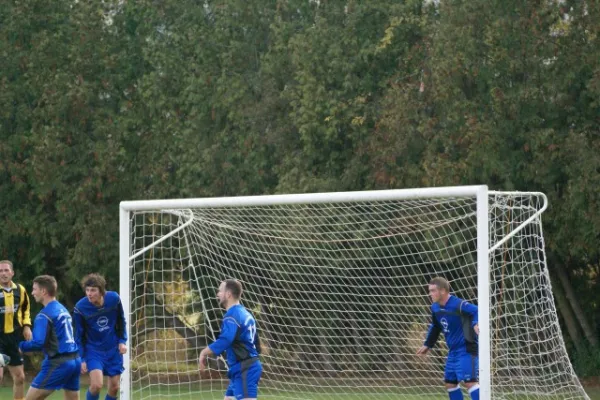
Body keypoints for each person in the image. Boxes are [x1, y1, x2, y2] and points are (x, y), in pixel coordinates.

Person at [417, 277, 480, 400]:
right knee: (450, 383)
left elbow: (476, 310)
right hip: (453, 351)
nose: (430, 294)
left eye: (433, 290)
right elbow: (435, 326)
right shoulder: (435, 308)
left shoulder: (458, 304)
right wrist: (427, 344)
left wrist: (476, 323)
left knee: (470, 382)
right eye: (429, 290)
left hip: (466, 349)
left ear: (443, 291)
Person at [19, 275, 81, 400]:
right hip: (75, 361)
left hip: (58, 363)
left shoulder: (44, 315)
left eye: (34, 289)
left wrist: (21, 346)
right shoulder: (62, 309)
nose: (32, 293)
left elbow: (38, 343)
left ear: (43, 291)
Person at [199, 279, 262, 400]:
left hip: (245, 368)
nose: (217, 294)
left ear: (228, 294)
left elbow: (225, 340)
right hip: (242, 368)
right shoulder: (246, 314)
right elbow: (256, 345)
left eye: (220, 291)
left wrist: (204, 352)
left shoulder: (232, 315)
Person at [73, 274, 127, 400]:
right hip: (93, 350)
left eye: (93, 290)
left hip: (113, 349)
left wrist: (122, 340)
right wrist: (81, 358)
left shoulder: (114, 299)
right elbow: (78, 335)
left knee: (114, 388)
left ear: (101, 290)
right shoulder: (80, 307)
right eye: (87, 290)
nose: (89, 294)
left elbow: (121, 321)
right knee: (97, 385)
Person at [0, 260, 32, 400]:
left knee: (20, 377)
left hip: (14, 338)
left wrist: (26, 326)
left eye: (6, 270)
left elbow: (25, 310)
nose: (3, 273)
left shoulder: (20, 290)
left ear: (12, 273)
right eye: (0, 271)